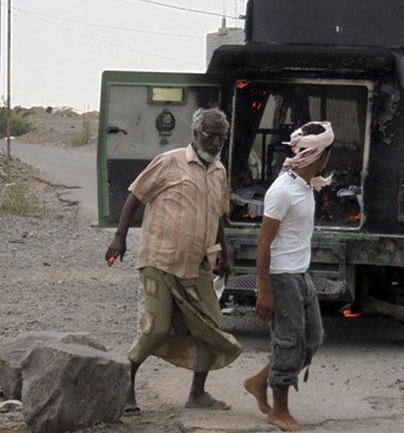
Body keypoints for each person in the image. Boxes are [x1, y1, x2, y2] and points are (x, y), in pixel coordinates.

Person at [105, 107, 242, 414]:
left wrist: (224, 254)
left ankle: (197, 394)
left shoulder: (219, 171)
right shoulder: (170, 162)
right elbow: (135, 196)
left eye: (222, 136)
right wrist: (120, 237)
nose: (216, 142)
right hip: (160, 260)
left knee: (211, 327)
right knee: (156, 329)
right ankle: (125, 391)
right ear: (196, 134)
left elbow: (218, 216)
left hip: (198, 263)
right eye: (210, 135)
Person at [243, 121, 333, 431]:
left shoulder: (306, 184)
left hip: (299, 275)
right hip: (282, 277)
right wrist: (264, 289)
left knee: (312, 339)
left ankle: (259, 381)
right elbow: (264, 242)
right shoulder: (282, 190)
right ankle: (279, 411)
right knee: (288, 341)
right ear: (320, 156)